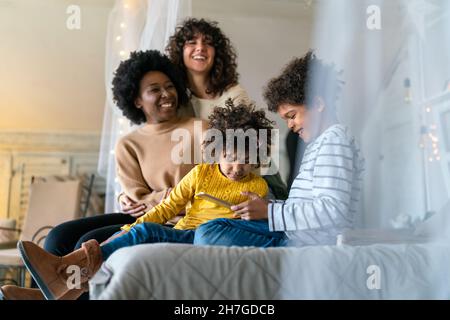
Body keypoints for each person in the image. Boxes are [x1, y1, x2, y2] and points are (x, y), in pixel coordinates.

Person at [17, 100, 274, 300]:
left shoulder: (258, 186)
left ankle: (59, 276)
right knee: (139, 230)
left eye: (247, 159)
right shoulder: (201, 173)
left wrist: (256, 212)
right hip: (182, 231)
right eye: (230, 156)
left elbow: (248, 227)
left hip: (206, 239)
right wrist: (131, 227)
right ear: (218, 151)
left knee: (144, 232)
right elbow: (168, 207)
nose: (237, 167)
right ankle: (59, 286)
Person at [0, 50, 206, 300]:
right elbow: (135, 197)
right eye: (154, 89)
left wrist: (155, 198)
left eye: (170, 86)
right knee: (59, 235)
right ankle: (49, 295)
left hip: (177, 218)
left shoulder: (199, 129)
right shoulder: (129, 144)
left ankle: (43, 298)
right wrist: (145, 199)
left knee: (88, 241)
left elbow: (205, 185)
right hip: (146, 215)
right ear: (137, 99)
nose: (166, 94)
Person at [194, 50, 365, 248]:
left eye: (292, 116)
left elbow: (333, 210)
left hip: (303, 243)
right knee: (212, 226)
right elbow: (306, 208)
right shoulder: (319, 143)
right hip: (293, 233)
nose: (290, 126)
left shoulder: (335, 141)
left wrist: (269, 212)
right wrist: (267, 207)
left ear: (318, 103)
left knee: (210, 232)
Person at [167, 18, 288, 200]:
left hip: (248, 177)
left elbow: (247, 146)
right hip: (199, 183)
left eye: (207, 43)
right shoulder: (173, 97)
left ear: (217, 53)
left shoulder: (233, 93)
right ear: (180, 51)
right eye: (192, 42)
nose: (200, 47)